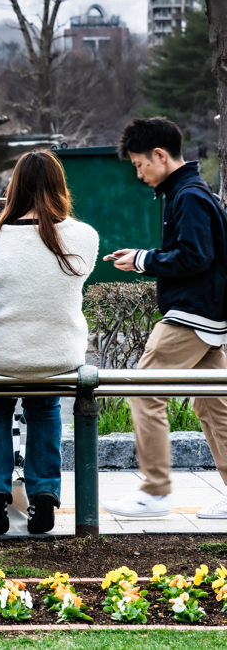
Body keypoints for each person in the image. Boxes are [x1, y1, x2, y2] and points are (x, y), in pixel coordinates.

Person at [102, 117, 227, 519]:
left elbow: (195, 256)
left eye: (140, 165)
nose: (139, 174)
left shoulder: (187, 195)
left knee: (143, 390)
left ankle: (154, 492)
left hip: (190, 316)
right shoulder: (192, 192)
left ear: (160, 155)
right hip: (207, 315)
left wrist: (141, 260)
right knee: (215, 405)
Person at [0, 151, 99, 534]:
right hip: (56, 355)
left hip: (1, 357)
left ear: (15, 187)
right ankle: (44, 497)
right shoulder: (84, 236)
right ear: (61, 186)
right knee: (44, 412)